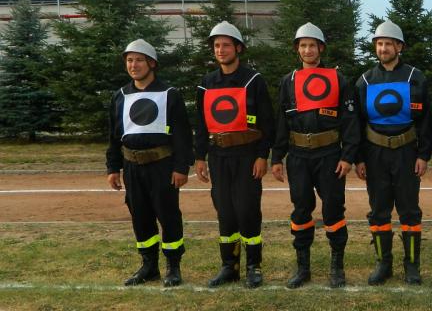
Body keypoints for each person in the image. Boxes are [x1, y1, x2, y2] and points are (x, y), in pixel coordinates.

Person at [271, 23, 359, 289]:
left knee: (333, 208)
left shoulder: (338, 79)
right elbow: (281, 121)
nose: (307, 50)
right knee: (301, 208)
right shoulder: (288, 82)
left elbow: (350, 121)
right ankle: (303, 267)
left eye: (312, 45)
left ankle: (337, 267)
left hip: (330, 155)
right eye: (303, 45)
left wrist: (347, 156)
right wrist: (277, 157)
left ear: (321, 48)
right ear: (297, 49)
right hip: (298, 156)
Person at [106, 39, 192, 287]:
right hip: (132, 167)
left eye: (139, 60)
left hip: (162, 166)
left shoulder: (169, 94)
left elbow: (183, 134)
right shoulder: (120, 96)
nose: (134, 65)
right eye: (129, 60)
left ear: (152, 63)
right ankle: (149, 265)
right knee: (140, 216)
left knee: (168, 215)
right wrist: (113, 168)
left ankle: (173, 266)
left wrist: (180, 167)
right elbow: (114, 135)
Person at [194, 21, 274, 289]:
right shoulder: (207, 84)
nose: (221, 50)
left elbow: (267, 122)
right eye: (217, 45)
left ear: (238, 48)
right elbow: (201, 124)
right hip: (218, 157)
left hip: (247, 157)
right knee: (225, 211)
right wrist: (200, 157)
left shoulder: (253, 80)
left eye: (226, 45)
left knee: (248, 210)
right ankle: (229, 266)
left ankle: (253, 266)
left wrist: (262, 156)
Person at [355, 20, 430, 285]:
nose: (383, 48)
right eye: (379, 43)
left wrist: (423, 155)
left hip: (406, 152)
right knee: (379, 211)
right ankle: (383, 263)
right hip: (375, 154)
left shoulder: (416, 78)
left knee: (409, 210)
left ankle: (412, 265)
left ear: (399, 47)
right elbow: (357, 123)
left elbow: (426, 120)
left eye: (388, 43)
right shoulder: (365, 81)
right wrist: (359, 158)